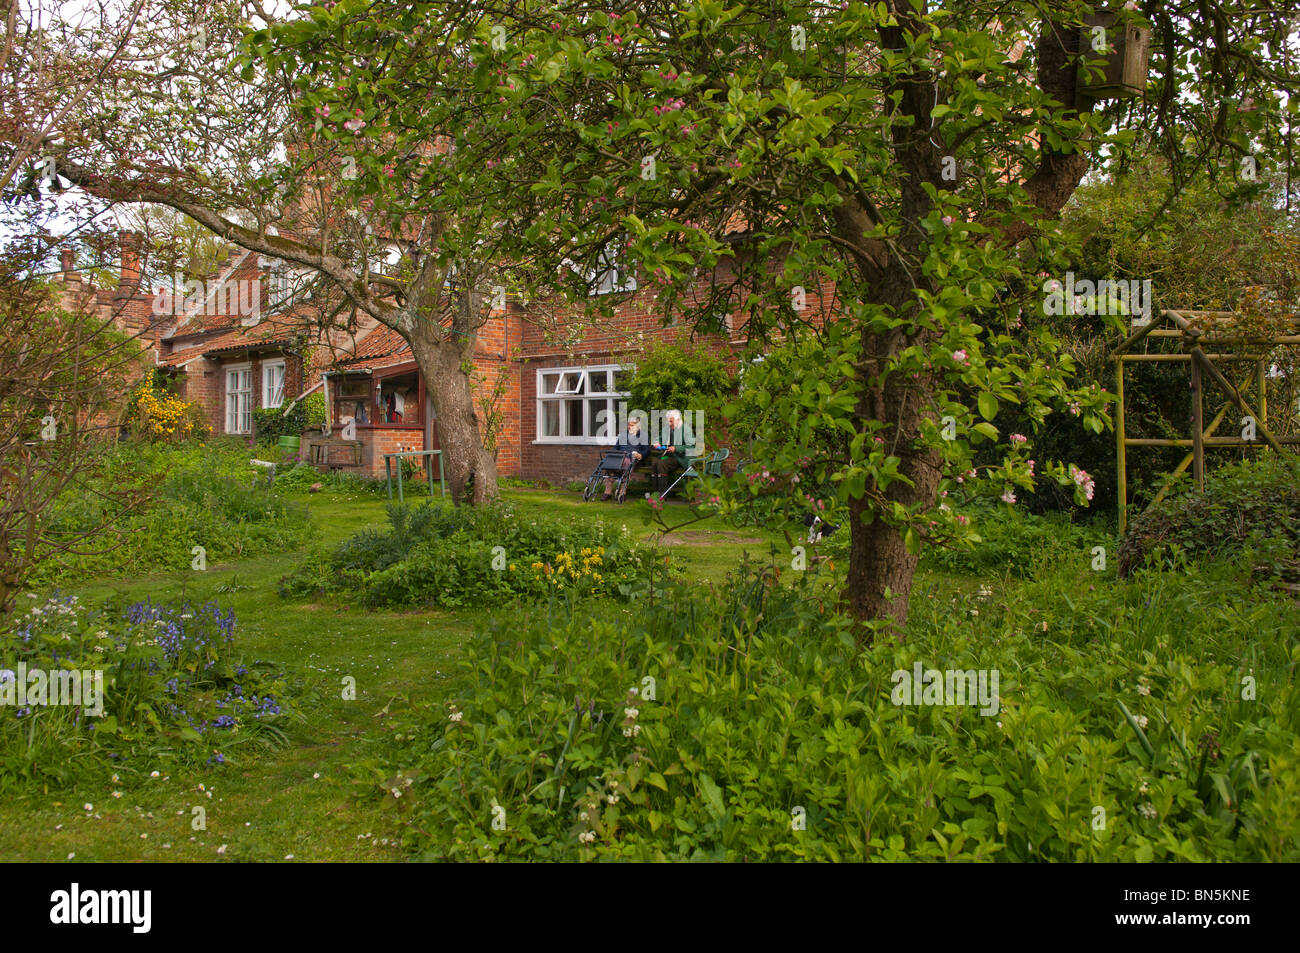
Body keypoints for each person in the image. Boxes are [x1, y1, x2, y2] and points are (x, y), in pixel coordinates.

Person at [603, 414, 648, 500]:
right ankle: (607, 492)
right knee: (609, 463)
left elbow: (646, 450)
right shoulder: (623, 435)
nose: (629, 427)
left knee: (627, 464)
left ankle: (622, 493)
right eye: (629, 425)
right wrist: (613, 454)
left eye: (632, 425)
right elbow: (616, 447)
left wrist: (641, 455)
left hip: (632, 458)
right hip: (620, 456)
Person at [651, 410, 691, 496]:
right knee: (655, 461)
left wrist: (676, 448)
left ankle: (662, 495)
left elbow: (691, 446)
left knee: (662, 463)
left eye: (671, 421)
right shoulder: (666, 429)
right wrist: (656, 443)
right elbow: (658, 439)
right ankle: (655, 494)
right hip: (668, 457)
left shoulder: (686, 429)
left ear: (678, 420)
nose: (669, 423)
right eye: (668, 421)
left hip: (681, 458)